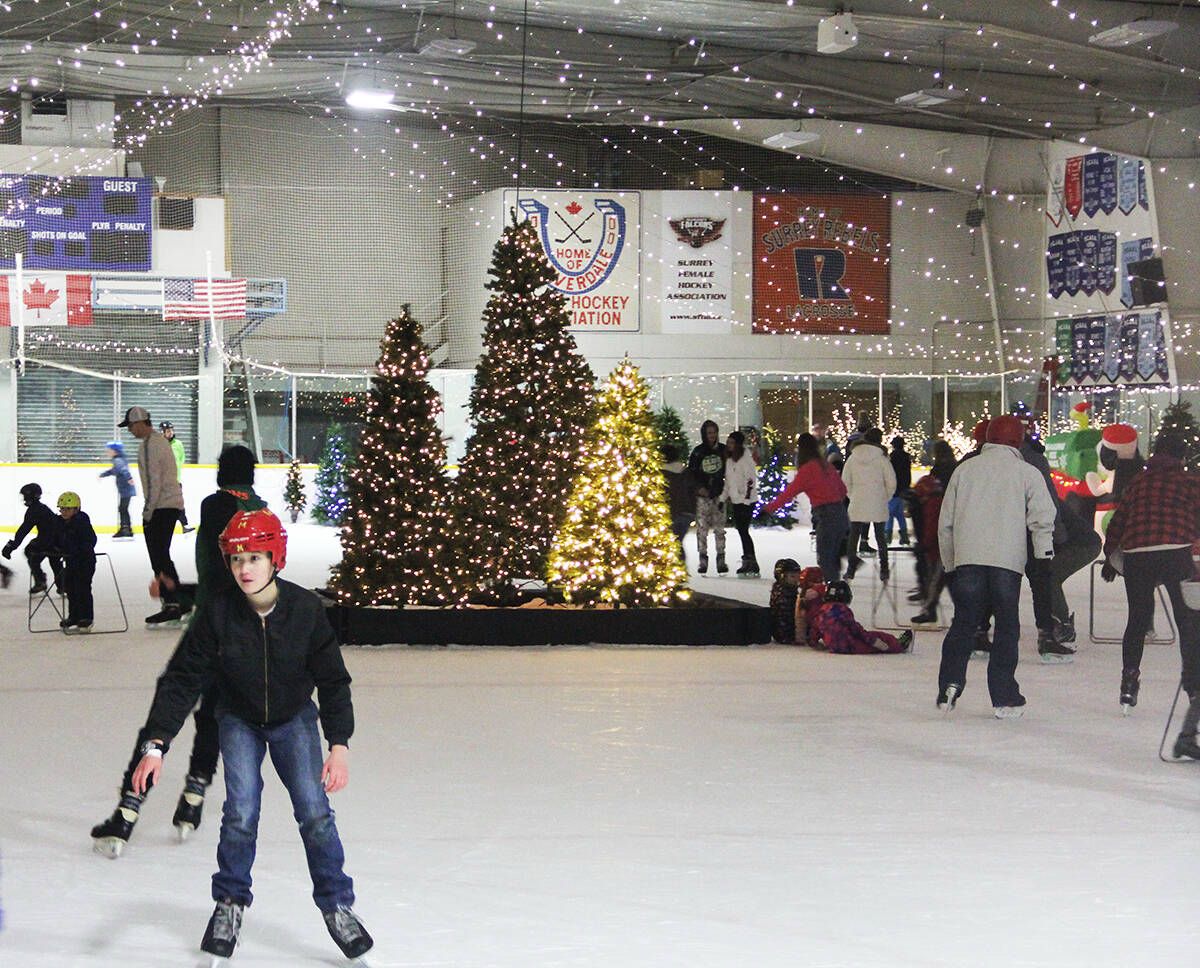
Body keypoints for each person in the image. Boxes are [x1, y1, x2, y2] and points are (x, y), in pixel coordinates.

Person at [129, 508, 373, 962]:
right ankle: (229, 904)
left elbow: (334, 681)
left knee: (315, 812)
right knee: (241, 811)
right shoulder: (218, 613)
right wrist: (156, 744)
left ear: (274, 557)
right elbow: (182, 679)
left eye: (255, 558)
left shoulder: (304, 611)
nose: (245, 569)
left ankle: (338, 905)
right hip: (238, 719)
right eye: (237, 559)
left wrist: (339, 744)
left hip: (294, 718)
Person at [91, 446, 267, 857]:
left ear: (222, 473)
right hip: (245, 636)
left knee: (163, 716)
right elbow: (246, 578)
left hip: (208, 631)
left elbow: (224, 573)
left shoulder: (215, 504)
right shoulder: (262, 511)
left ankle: (127, 813)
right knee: (213, 717)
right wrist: (184, 591)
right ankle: (193, 797)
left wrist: (189, 594)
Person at [936, 415, 1057, 719]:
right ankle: (1004, 697)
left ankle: (949, 684)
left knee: (963, 623)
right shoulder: (1026, 472)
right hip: (1007, 561)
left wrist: (950, 562)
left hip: (968, 559)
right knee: (1006, 626)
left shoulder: (965, 470)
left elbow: (946, 523)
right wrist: (1044, 555)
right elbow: (1043, 516)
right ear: (1018, 440)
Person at [1101, 432, 1200, 714]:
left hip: (1138, 555)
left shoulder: (1138, 482)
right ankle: (1194, 690)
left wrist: (1110, 556)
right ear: (1181, 457)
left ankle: (1129, 683)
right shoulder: (1189, 480)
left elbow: (1118, 521)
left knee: (1138, 618)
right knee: (1187, 620)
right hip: (1176, 552)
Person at [119, 405, 187, 626]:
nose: (129, 431)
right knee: (162, 555)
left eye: (130, 426)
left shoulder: (150, 446)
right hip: (170, 504)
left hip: (161, 507)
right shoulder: (159, 442)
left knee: (158, 557)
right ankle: (178, 601)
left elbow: (153, 482)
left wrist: (148, 512)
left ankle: (172, 604)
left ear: (139, 423)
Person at [761, 432, 849, 581]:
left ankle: (833, 593)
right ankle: (838, 584)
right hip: (840, 512)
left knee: (826, 558)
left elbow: (789, 493)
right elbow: (843, 490)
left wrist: (768, 509)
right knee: (833, 557)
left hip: (825, 515)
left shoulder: (807, 470)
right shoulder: (826, 465)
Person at [842, 428, 896, 582]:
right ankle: (884, 569)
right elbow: (891, 482)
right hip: (877, 501)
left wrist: (853, 496)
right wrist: (884, 496)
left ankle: (851, 569)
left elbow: (845, 481)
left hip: (858, 501)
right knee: (880, 538)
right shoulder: (882, 459)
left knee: (854, 536)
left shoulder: (853, 458)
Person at [808, 580, 913, 654]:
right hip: (850, 645)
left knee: (873, 637)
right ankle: (898, 645)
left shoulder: (821, 611)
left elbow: (815, 629)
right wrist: (872, 640)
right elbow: (856, 630)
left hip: (832, 645)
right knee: (879, 637)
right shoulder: (842, 610)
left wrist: (814, 641)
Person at [2, 482, 64, 594]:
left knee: (31, 553)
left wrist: (11, 546)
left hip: (49, 541)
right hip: (57, 540)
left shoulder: (34, 510)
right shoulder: (41, 508)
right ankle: (62, 584)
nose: (24, 499)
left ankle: (41, 581)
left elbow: (24, 530)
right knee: (54, 560)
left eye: (25, 496)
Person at [687, 419, 727, 575]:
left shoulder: (723, 451)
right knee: (702, 529)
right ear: (704, 434)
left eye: (714, 432)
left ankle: (721, 558)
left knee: (720, 528)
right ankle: (702, 558)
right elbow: (691, 474)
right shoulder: (698, 452)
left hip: (719, 494)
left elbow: (730, 471)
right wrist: (699, 488)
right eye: (709, 433)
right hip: (703, 496)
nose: (712, 435)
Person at [720, 431, 760, 577]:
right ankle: (749, 559)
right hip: (736, 501)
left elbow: (750, 481)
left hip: (746, 502)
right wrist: (722, 499)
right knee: (742, 530)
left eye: (732, 443)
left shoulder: (746, 460)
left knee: (743, 530)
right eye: (728, 442)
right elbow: (728, 483)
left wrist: (746, 500)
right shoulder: (730, 461)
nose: (729, 445)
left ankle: (750, 560)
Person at [56, 491, 97, 633]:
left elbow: (91, 540)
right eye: (62, 509)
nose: (64, 512)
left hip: (85, 562)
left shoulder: (81, 522)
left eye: (67, 509)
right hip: (71, 562)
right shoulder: (61, 523)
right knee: (70, 588)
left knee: (83, 588)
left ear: (76, 509)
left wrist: (78, 550)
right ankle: (74, 616)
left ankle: (86, 618)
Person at [660, 444, 696, 557]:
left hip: (670, 513)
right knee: (678, 541)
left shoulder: (661, 473)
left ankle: (679, 567)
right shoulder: (685, 471)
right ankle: (681, 566)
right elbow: (692, 491)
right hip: (686, 512)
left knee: (673, 543)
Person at [160, 420, 194, 533]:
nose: (170, 433)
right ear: (162, 432)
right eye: (168, 431)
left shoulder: (178, 444)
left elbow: (181, 458)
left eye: (171, 430)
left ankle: (184, 525)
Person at [100, 440, 137, 539]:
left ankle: (125, 529)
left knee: (123, 508)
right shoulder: (118, 460)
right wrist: (103, 474)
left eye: (109, 450)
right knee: (123, 508)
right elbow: (114, 471)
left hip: (126, 489)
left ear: (115, 451)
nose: (107, 451)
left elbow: (123, 470)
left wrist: (129, 478)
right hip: (125, 489)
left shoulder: (118, 460)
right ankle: (126, 528)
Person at [769, 558, 803, 643]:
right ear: (782, 576)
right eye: (792, 576)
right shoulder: (783, 593)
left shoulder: (789, 589)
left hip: (786, 631)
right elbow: (785, 614)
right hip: (785, 632)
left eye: (798, 576)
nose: (796, 579)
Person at [886, 435, 912, 545]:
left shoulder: (892, 457)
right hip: (903, 489)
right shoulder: (906, 457)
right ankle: (904, 535)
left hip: (893, 489)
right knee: (900, 514)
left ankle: (887, 535)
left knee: (889, 514)